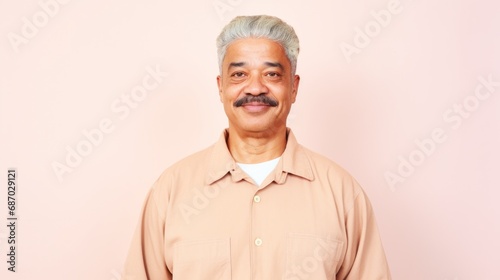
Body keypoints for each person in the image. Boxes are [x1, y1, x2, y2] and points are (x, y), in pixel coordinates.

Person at [123, 15, 391, 280]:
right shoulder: (171, 191)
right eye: (239, 74)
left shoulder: (342, 193)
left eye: (271, 74)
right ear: (221, 87)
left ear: (293, 88)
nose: (254, 88)